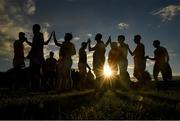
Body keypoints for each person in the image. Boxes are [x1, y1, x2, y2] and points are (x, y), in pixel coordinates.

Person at [25, 24, 53, 90]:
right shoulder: (39, 35)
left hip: (36, 56)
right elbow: (43, 43)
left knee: (36, 71)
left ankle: (37, 86)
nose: (32, 30)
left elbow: (35, 45)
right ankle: (36, 86)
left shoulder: (38, 35)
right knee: (37, 71)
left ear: (35, 29)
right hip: (38, 56)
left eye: (33, 28)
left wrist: (30, 54)